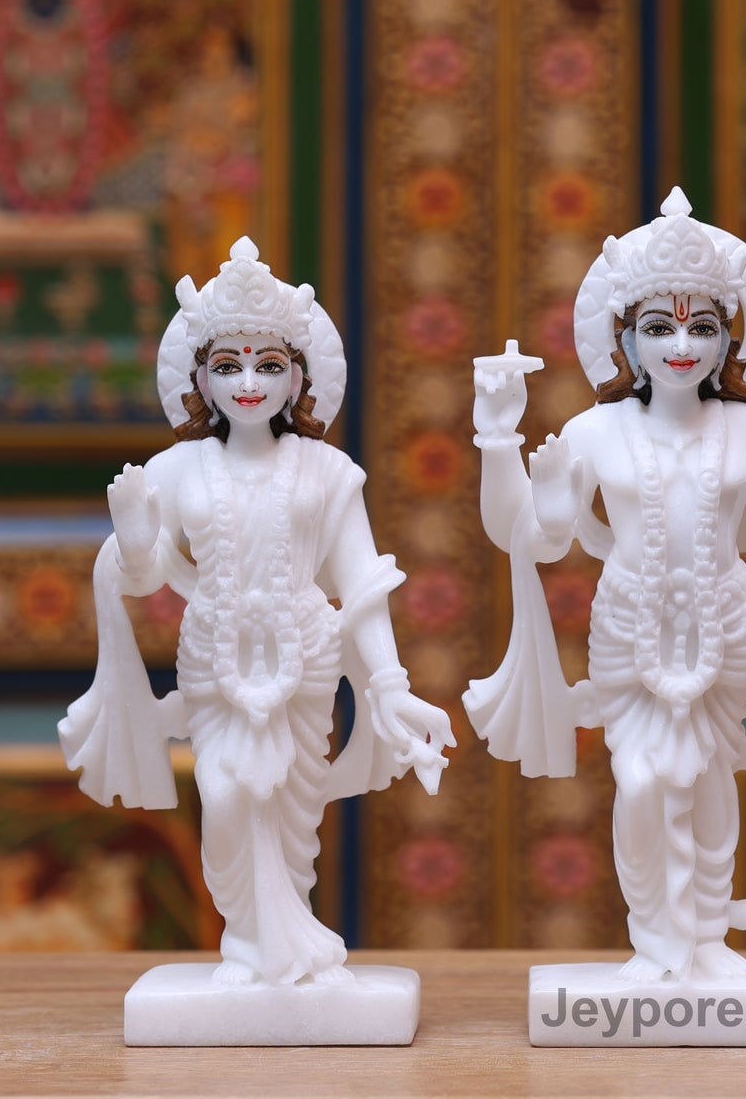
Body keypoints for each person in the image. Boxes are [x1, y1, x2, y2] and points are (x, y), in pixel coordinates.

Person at [467, 190, 746, 981]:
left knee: (708, 782)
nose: (682, 345)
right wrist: (498, 439)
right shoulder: (596, 431)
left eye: (702, 328)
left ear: (729, 339)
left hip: (725, 627)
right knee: (643, 783)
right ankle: (656, 941)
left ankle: (704, 942)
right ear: (626, 340)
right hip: (630, 629)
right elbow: (524, 534)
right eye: (659, 328)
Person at [61, 238, 453, 986]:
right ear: (200, 379)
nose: (248, 383)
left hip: (305, 657)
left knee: (292, 808)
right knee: (225, 795)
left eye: (268, 366)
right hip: (213, 654)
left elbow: (362, 582)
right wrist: (136, 538)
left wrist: (392, 684)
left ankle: (286, 947)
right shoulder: (176, 469)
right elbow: (144, 576)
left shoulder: (328, 471)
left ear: (297, 377)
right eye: (228, 366)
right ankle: (247, 941)